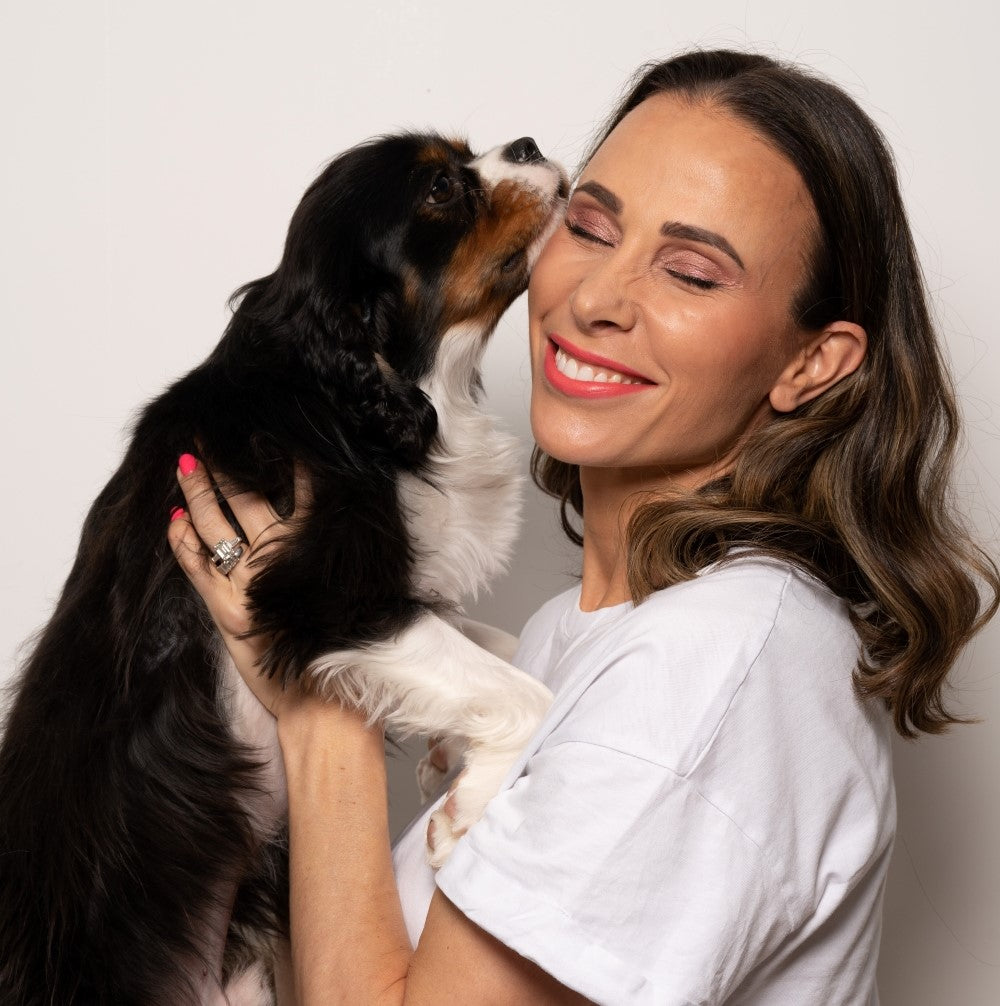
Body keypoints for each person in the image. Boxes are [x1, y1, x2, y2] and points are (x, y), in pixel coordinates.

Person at [168, 50, 998, 1004]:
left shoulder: (717, 666)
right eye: (592, 226)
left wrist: (319, 696)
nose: (597, 300)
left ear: (812, 363)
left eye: (691, 273)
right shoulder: (572, 638)